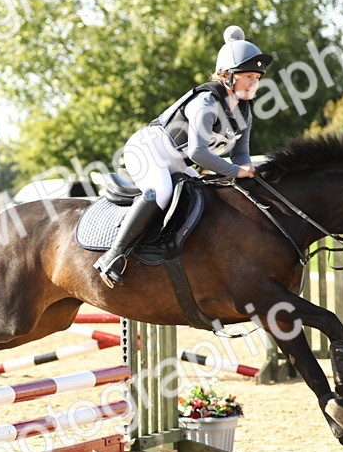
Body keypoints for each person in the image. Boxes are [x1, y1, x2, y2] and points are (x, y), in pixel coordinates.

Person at [94, 26, 273, 287]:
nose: (254, 83)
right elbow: (198, 153)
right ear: (226, 76)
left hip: (176, 161)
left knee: (205, 197)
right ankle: (113, 256)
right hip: (148, 150)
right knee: (162, 191)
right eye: (248, 76)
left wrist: (248, 175)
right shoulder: (206, 103)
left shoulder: (244, 111)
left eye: (257, 77)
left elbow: (241, 153)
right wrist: (236, 172)